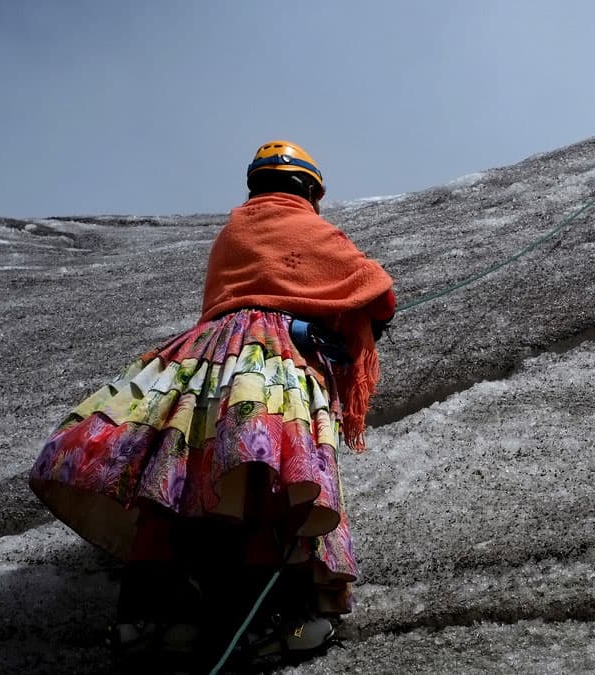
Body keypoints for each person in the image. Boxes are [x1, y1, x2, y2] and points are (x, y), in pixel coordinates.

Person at [29, 140, 395, 671]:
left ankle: (155, 617)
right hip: (272, 361)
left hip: (203, 359)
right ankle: (286, 618)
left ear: (255, 185)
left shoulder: (232, 232)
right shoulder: (314, 230)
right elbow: (377, 291)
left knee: (178, 475)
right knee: (276, 477)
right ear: (310, 190)